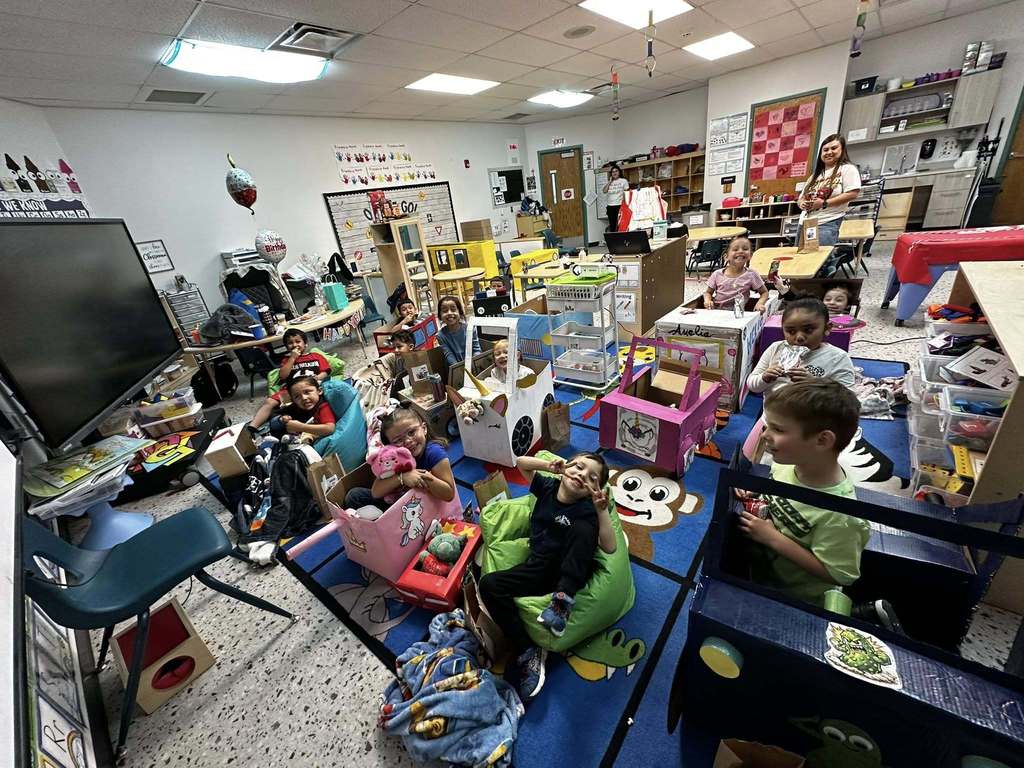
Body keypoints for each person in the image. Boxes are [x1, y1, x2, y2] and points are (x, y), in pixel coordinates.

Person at [479, 453, 616, 702]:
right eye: (578, 467)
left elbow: (610, 547)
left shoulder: (587, 510)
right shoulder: (548, 486)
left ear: (593, 490)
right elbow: (519, 462)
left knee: (583, 528)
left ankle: (562, 604)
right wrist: (550, 466)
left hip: (569, 574)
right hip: (537, 567)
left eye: (591, 478)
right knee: (488, 584)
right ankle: (528, 650)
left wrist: (601, 511)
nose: (582, 475)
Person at [738, 379, 869, 607]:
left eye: (777, 429)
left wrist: (773, 539)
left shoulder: (842, 516)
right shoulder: (786, 464)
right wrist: (756, 494)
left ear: (822, 440)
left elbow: (839, 574)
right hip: (759, 572)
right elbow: (775, 495)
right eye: (767, 426)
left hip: (796, 600)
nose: (764, 435)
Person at [344, 407, 455, 512]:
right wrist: (402, 478)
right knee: (354, 496)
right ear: (389, 446)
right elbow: (376, 492)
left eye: (411, 432)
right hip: (397, 505)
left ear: (424, 428)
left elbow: (449, 494)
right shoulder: (393, 458)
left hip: (422, 508)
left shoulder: (433, 452)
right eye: (398, 440)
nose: (407, 441)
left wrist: (423, 477)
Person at [747, 297, 855, 395]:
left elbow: (848, 399)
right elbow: (752, 385)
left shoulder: (838, 358)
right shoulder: (776, 348)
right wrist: (764, 378)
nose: (799, 337)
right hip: (772, 416)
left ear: (827, 328)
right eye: (791, 331)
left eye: (808, 330)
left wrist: (817, 384)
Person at [250, 328, 331, 430]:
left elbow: (326, 371)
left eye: (298, 341)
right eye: (290, 343)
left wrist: (318, 377)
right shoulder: (286, 360)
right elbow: (283, 375)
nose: (294, 345)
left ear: (305, 343)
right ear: (287, 347)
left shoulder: (316, 356)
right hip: (291, 391)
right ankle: (252, 427)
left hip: (310, 387)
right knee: (270, 402)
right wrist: (292, 358)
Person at [797, 134, 861, 246]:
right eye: (825, 150)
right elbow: (801, 197)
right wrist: (802, 203)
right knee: (804, 259)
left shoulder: (847, 169)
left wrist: (824, 203)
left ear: (842, 150)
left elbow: (852, 193)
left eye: (834, 148)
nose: (829, 152)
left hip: (827, 222)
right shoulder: (815, 176)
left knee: (821, 259)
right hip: (807, 222)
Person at [702, 235, 771, 313]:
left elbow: (764, 292)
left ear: (750, 256)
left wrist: (760, 304)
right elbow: (708, 292)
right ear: (726, 257)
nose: (740, 251)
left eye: (745, 249)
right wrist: (707, 300)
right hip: (717, 312)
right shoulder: (717, 274)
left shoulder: (752, 274)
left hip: (738, 314)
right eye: (735, 249)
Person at [266, 372, 337, 440]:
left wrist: (301, 427)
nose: (304, 398)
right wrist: (282, 419)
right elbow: (275, 414)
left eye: (307, 392)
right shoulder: (296, 406)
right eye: (297, 397)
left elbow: (330, 429)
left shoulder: (323, 407)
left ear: (319, 391)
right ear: (293, 400)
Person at [436, 295, 480, 366]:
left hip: (474, 365)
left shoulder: (470, 328)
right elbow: (449, 355)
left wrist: (475, 364)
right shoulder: (440, 336)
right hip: (455, 368)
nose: (449, 313)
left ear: (460, 312)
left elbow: (476, 349)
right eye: (445, 311)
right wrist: (459, 369)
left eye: (453, 310)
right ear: (440, 315)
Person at [602, 163, 630, 232]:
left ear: (619, 172)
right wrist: (610, 182)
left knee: (620, 224)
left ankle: (621, 240)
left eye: (616, 171)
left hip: (619, 205)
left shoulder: (623, 181)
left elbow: (626, 193)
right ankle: (614, 241)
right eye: (613, 172)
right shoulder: (609, 182)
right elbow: (604, 191)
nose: (614, 173)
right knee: (612, 225)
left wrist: (625, 205)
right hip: (610, 206)